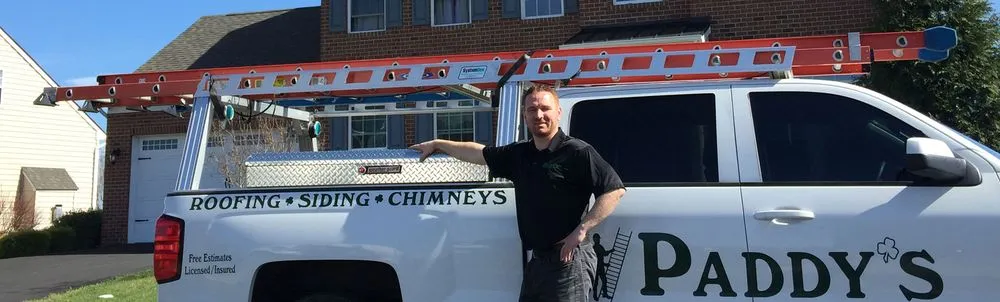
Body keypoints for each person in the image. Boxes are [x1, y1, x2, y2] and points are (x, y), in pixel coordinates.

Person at [409, 83, 626, 301]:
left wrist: (580, 231)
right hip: (538, 262)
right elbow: (478, 154)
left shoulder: (577, 152)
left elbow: (614, 190)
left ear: (558, 112)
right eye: (532, 110)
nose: (539, 115)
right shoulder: (520, 154)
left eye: (545, 108)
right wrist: (438, 144)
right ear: (525, 116)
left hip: (568, 260)